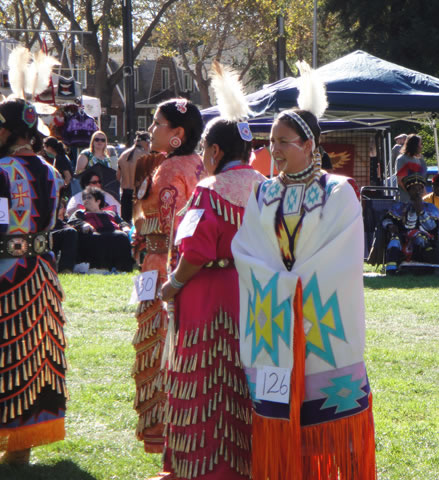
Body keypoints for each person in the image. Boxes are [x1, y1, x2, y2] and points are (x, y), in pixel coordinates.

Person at [232, 61, 376, 480]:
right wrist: (279, 284)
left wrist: (290, 285)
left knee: (324, 417)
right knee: (279, 415)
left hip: (322, 317)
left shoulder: (338, 191)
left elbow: (341, 254)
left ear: (309, 144)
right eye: (270, 141)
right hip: (272, 320)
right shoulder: (262, 192)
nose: (274, 149)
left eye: (283, 141)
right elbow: (247, 247)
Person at [158, 69, 265, 477]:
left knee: (207, 376)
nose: (203, 156)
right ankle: (249, 464)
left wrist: (173, 284)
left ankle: (207, 468)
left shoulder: (209, 190)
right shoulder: (267, 187)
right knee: (245, 378)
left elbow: (197, 251)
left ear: (216, 151)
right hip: (256, 296)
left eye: (204, 148)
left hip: (209, 297)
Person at [132, 98, 204, 454]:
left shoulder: (171, 168)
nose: (151, 129)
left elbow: (171, 226)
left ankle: (165, 430)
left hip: (163, 268)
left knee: (160, 349)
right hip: (184, 267)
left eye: (157, 123)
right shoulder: (198, 164)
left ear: (178, 132)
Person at [0, 97, 68, 465]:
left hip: (8, 276)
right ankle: (20, 451)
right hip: (42, 273)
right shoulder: (51, 171)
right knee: (34, 355)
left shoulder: (2, 171)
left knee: (8, 354)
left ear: (6, 132)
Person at [382, 172, 439, 274]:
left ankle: (429, 268)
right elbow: (386, 220)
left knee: (421, 239)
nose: (417, 191)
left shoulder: (430, 207)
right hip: (403, 236)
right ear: (409, 191)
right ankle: (391, 271)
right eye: (414, 189)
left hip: (425, 236)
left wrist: (421, 212)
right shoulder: (399, 206)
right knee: (394, 240)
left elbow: (432, 227)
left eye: (420, 189)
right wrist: (390, 225)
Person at [67, 187, 134, 272]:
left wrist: (125, 227)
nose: (86, 200)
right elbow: (72, 221)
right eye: (84, 198)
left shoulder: (111, 213)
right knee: (97, 238)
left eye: (89, 198)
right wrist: (83, 224)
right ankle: (100, 268)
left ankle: (122, 268)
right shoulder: (80, 213)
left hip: (112, 232)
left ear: (98, 201)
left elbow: (121, 222)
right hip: (93, 234)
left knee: (122, 236)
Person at [117, 131, 151, 223]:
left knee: (126, 224)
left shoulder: (123, 155)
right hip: (138, 195)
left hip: (125, 195)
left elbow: (117, 177)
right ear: (146, 142)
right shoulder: (145, 156)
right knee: (138, 225)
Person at [395, 133, 426, 202]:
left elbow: (420, 180)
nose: (421, 146)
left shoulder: (417, 160)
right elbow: (400, 180)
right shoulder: (402, 159)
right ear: (414, 145)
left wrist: (424, 196)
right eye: (420, 144)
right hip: (405, 201)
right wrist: (412, 194)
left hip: (418, 201)